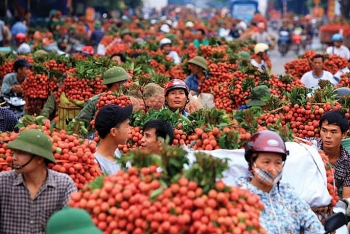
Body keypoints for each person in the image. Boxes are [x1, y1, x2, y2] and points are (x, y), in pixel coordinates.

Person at [234, 130, 324, 233]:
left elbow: (311, 223)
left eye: (278, 163)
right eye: (266, 162)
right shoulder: (240, 196)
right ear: (252, 162)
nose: (273, 169)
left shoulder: (287, 193)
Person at [0, 129, 77, 233]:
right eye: (14, 152)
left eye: (21, 153)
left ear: (40, 159)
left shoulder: (64, 184)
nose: (14, 158)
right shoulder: (3, 182)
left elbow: (71, 225)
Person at [306, 110, 350, 200]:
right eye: (324, 130)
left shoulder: (348, 162)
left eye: (333, 132)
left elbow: (347, 197)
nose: (328, 136)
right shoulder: (308, 146)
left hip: (330, 202)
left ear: (344, 134)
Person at [94, 104, 132, 175]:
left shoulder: (116, 153)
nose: (130, 130)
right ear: (113, 132)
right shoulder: (97, 164)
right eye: (127, 126)